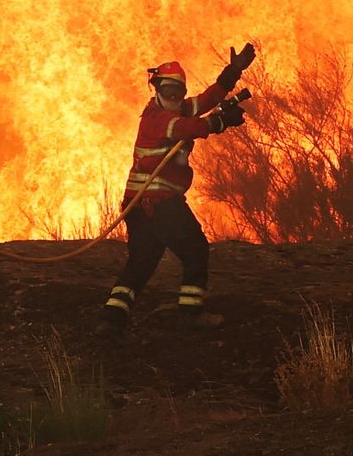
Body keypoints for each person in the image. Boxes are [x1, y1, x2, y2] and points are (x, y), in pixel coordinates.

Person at [96, 43, 255, 335]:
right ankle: (191, 313)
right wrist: (220, 121)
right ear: (156, 90)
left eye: (178, 93)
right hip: (160, 203)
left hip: (138, 205)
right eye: (168, 92)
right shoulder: (156, 118)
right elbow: (188, 128)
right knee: (196, 250)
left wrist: (232, 72)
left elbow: (207, 99)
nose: (173, 98)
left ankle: (111, 318)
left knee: (141, 262)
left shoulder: (178, 108)